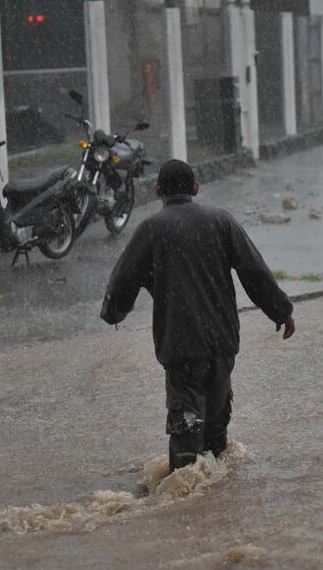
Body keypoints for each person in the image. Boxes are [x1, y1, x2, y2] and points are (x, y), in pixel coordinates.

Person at [101, 159, 296, 472]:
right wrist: (281, 311)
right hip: (222, 345)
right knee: (216, 434)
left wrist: (113, 312)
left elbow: (124, 279)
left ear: (158, 190)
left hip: (182, 350)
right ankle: (219, 506)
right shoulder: (221, 221)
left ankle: (184, 507)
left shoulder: (151, 229)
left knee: (186, 441)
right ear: (195, 188)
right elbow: (254, 271)